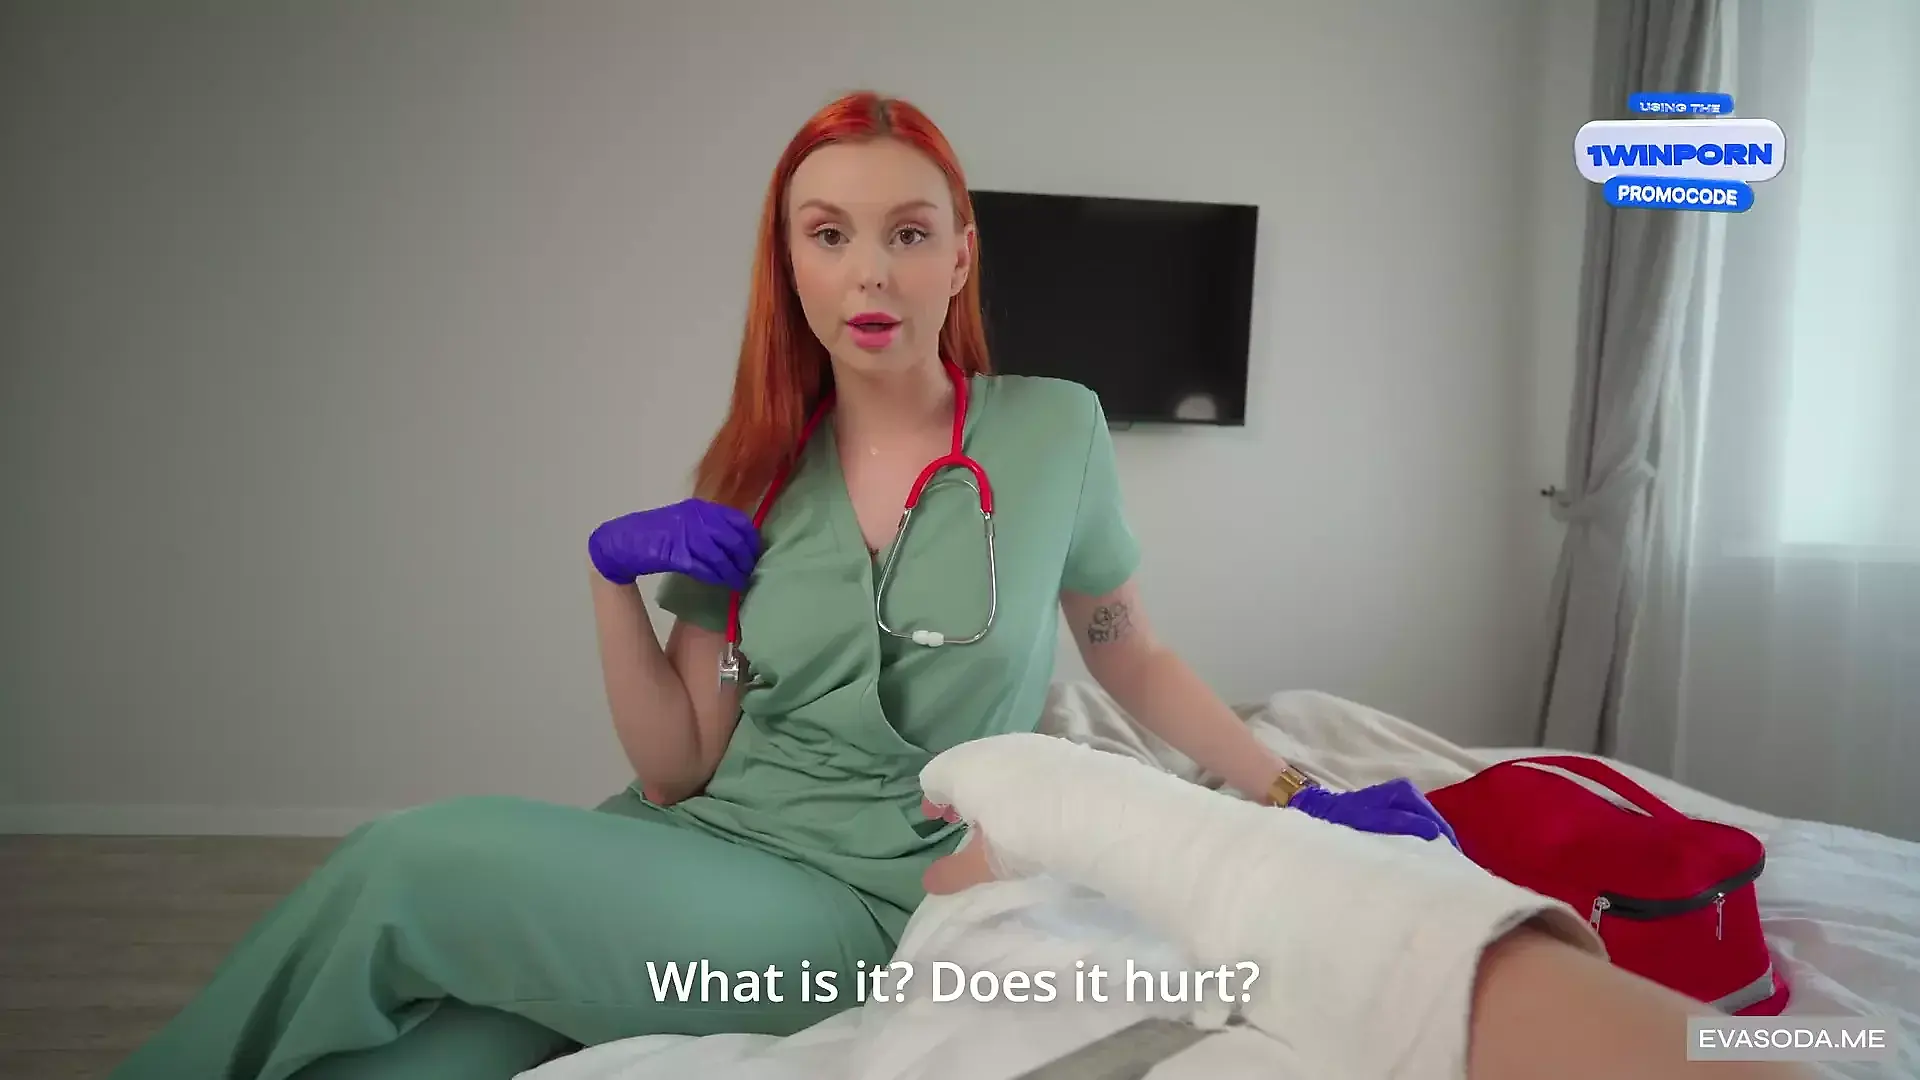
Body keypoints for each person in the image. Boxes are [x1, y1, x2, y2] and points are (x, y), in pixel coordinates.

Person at [103, 88, 1668, 1080]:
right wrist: (610, 584)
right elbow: (678, 765)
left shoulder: (1051, 431)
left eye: (908, 233)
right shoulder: (750, 469)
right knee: (419, 1063)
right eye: (830, 234)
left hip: (857, 903)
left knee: (408, 863)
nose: (870, 269)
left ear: (960, 255)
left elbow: (1127, 652)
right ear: (789, 264)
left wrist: (1286, 795)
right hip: (683, 845)